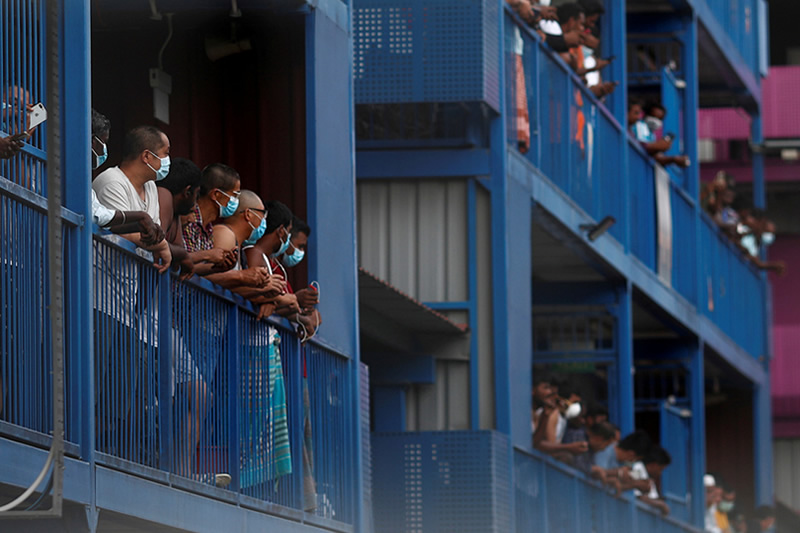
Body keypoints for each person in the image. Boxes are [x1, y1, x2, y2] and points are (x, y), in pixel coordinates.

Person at [92, 125, 174, 270]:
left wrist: (159, 243)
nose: (168, 160)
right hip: (103, 278)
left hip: (128, 281)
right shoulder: (111, 181)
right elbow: (123, 230)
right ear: (147, 156)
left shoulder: (151, 186)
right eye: (165, 153)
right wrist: (162, 246)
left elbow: (154, 234)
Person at [628, 100, 690, 168]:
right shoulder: (640, 125)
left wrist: (674, 159)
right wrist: (658, 146)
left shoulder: (652, 135)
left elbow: (657, 157)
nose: (656, 121)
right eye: (653, 116)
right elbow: (645, 147)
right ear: (646, 114)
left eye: (659, 118)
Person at [632, 445, 672, 515]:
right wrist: (660, 505)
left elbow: (653, 497)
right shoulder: (636, 468)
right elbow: (637, 497)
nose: (660, 473)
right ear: (654, 465)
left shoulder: (649, 478)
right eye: (660, 469)